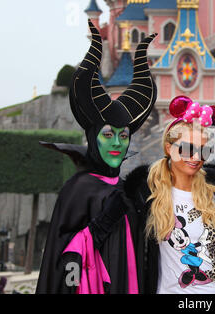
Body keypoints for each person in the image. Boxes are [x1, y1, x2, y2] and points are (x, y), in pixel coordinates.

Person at [36, 20, 157, 294]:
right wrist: (99, 226)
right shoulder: (78, 190)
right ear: (92, 138)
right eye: (107, 135)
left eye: (123, 136)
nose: (116, 143)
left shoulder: (129, 189)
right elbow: (65, 260)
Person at [123, 95, 215, 294]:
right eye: (187, 149)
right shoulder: (146, 193)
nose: (196, 157)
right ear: (169, 148)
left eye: (204, 150)